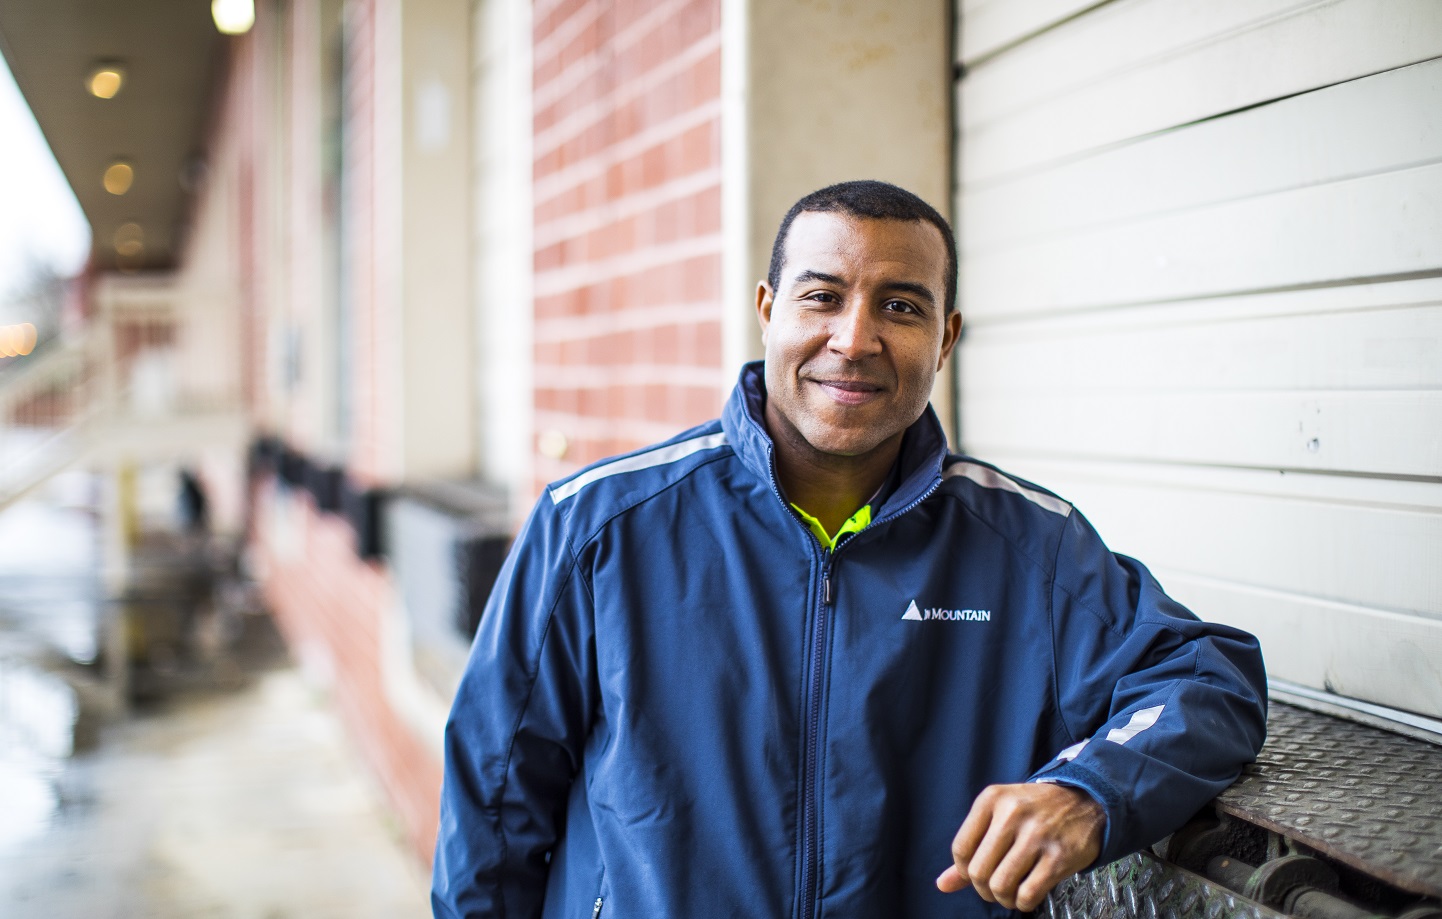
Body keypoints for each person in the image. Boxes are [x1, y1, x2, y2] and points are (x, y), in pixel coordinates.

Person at [432, 180, 1267, 918]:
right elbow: (495, 801)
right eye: (822, 297)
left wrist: (1088, 793)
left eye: (900, 307)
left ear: (946, 337)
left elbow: (1208, 679)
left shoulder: (1028, 544)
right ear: (769, 310)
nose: (855, 338)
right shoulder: (600, 525)